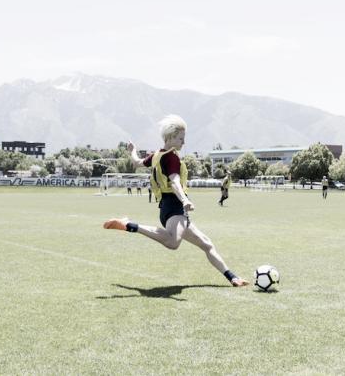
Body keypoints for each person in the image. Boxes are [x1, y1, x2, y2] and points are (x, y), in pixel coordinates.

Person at [103, 115, 249, 287]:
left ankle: (233, 277)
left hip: (168, 208)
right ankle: (129, 225)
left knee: (207, 244)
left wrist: (132, 150)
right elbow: (174, 182)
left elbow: (136, 163)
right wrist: (185, 199)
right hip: (174, 206)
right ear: (170, 137)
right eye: (181, 138)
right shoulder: (171, 157)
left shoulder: (156, 155)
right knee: (173, 242)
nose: (183, 142)